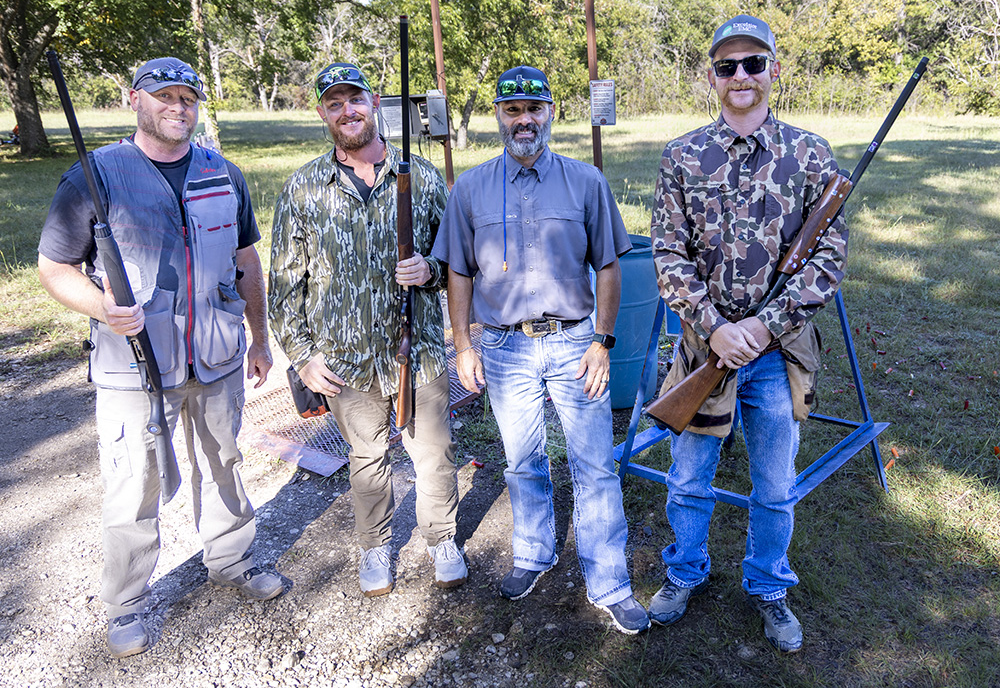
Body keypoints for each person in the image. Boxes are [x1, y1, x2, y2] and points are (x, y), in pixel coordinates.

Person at [37, 57, 283, 659]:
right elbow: (54, 267)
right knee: (134, 484)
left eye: (188, 97)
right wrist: (102, 309)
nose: (178, 106)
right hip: (134, 366)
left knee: (224, 463)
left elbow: (246, 260)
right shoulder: (96, 176)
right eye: (164, 95)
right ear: (135, 100)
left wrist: (259, 337)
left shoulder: (222, 172)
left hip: (218, 356)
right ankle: (125, 603)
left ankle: (230, 559)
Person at [647, 14, 848, 652]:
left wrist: (762, 325)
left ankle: (767, 585)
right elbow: (667, 255)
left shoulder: (811, 154)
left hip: (777, 355)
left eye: (753, 64)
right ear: (712, 76)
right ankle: (684, 572)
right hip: (703, 352)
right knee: (688, 475)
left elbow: (827, 263)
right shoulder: (680, 155)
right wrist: (715, 328)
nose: (742, 77)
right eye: (728, 66)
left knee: (775, 484)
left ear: (774, 70)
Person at [433, 65, 650, 635]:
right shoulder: (471, 189)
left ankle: (610, 580)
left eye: (534, 108)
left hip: (576, 341)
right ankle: (534, 552)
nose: (523, 120)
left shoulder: (586, 182)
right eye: (512, 110)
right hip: (504, 349)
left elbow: (608, 266)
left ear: (551, 111)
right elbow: (457, 269)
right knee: (522, 461)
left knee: (596, 466)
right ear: (498, 118)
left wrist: (603, 342)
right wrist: (464, 344)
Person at [268, 62, 466, 597]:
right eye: (334, 103)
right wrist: (303, 357)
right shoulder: (304, 187)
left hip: (419, 351)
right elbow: (284, 283)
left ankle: (441, 538)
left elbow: (458, 262)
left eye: (355, 99)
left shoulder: (419, 177)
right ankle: (374, 547)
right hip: (345, 358)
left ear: (374, 102)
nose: (347, 111)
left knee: (433, 453)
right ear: (322, 114)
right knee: (367, 457)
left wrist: (430, 270)